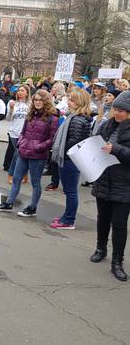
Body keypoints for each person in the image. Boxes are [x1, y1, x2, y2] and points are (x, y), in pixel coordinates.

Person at [0, 90, 59, 217]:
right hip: (23, 152)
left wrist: (38, 147)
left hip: (38, 155)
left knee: (35, 183)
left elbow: (52, 139)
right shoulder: (30, 115)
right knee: (16, 179)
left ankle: (32, 207)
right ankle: (9, 203)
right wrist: (21, 143)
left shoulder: (53, 118)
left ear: (46, 101)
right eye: (36, 100)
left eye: (40, 100)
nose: (38, 102)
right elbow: (23, 132)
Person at [90, 90, 130, 281]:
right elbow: (95, 143)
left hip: (124, 184)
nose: (117, 112)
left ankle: (117, 262)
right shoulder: (106, 125)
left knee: (120, 225)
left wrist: (117, 149)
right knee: (102, 219)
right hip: (104, 178)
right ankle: (100, 248)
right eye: (115, 108)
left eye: (121, 110)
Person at [49, 88, 92, 230]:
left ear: (79, 102)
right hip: (69, 158)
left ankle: (69, 221)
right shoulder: (76, 117)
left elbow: (74, 140)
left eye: (72, 100)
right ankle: (66, 216)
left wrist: (62, 150)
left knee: (71, 192)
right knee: (69, 191)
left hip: (70, 159)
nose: (68, 102)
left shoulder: (77, 119)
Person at [6, 85, 31, 184]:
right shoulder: (12, 103)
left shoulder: (30, 105)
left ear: (27, 93)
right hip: (14, 133)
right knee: (17, 154)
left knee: (22, 155)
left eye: (22, 90)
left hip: (26, 134)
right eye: (18, 90)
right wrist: (11, 109)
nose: (19, 92)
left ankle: (24, 173)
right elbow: (8, 119)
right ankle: (11, 174)